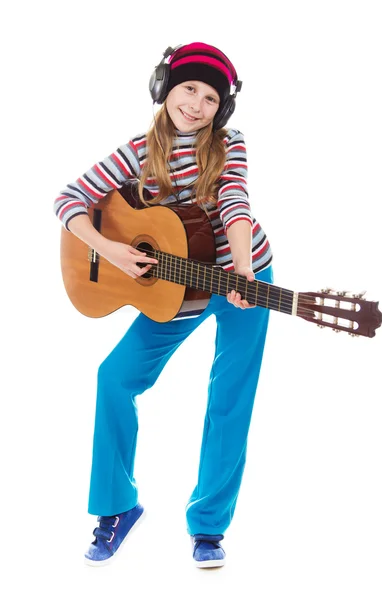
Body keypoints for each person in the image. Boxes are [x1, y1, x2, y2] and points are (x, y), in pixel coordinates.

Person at [54, 42, 273, 568]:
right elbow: (68, 199)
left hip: (246, 273)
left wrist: (241, 269)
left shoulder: (230, 145)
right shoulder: (137, 150)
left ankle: (208, 528)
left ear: (223, 111)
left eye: (211, 99)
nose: (197, 104)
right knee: (115, 378)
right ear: (164, 89)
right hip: (176, 285)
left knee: (229, 399)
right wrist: (110, 250)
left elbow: (235, 204)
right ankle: (116, 509)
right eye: (189, 89)